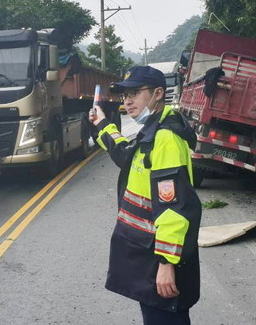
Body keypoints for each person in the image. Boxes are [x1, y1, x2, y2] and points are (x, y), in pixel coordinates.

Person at [89, 65, 201, 325]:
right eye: (124, 95)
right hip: (147, 250)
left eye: (135, 93)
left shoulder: (165, 138)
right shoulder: (152, 130)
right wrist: (103, 125)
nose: (127, 101)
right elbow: (128, 156)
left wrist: (165, 264)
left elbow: (174, 207)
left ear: (158, 93)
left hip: (159, 257)